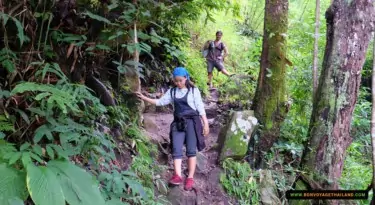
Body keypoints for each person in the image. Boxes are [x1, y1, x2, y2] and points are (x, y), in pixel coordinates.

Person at [135, 67, 209, 191]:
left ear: (186, 78)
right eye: (176, 81)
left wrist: (205, 123)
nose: (178, 83)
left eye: (180, 80)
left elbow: (200, 108)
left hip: (192, 122)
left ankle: (190, 178)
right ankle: (178, 175)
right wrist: (143, 97)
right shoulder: (172, 91)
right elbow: (160, 102)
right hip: (178, 123)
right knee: (176, 148)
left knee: (191, 150)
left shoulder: (194, 91)